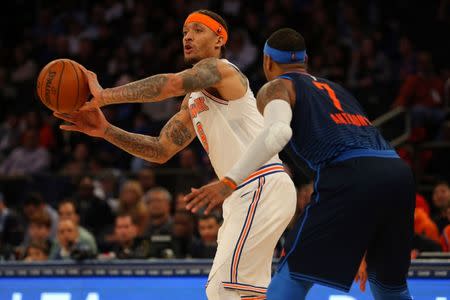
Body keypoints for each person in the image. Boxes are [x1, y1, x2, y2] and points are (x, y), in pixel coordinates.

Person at [54, 9, 296, 299]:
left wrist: (104, 96)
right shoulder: (193, 100)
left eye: (197, 30)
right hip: (240, 193)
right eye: (184, 32)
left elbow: (168, 84)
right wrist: (105, 130)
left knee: (226, 290)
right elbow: (160, 150)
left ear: (219, 39)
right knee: (234, 292)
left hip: (260, 183)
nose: (188, 37)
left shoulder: (223, 71)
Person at [185, 28, 415, 299]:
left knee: (290, 275)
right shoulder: (337, 89)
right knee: (388, 284)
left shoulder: (277, 87)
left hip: (350, 173)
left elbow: (278, 133)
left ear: (267, 62)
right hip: (397, 172)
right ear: (305, 60)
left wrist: (228, 181)